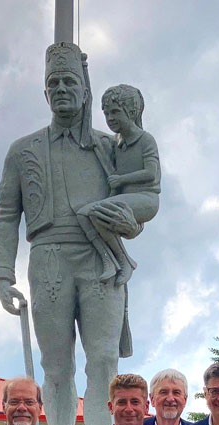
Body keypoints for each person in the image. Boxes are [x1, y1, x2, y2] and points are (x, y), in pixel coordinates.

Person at [0, 41, 158, 425]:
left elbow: (146, 198)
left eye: (70, 81)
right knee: (56, 367)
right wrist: (2, 274)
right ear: (45, 93)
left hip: (100, 257)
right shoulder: (23, 150)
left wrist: (131, 222)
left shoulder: (112, 145)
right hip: (48, 258)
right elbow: (6, 215)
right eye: (54, 83)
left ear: (85, 90)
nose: (62, 88)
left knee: (103, 361)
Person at [77, 84, 160, 285]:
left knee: (97, 212)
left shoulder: (145, 140)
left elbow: (151, 173)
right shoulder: (116, 142)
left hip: (145, 199)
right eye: (106, 114)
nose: (110, 118)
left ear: (131, 112)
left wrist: (122, 179)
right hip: (124, 198)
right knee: (84, 214)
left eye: (115, 112)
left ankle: (123, 261)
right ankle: (111, 259)